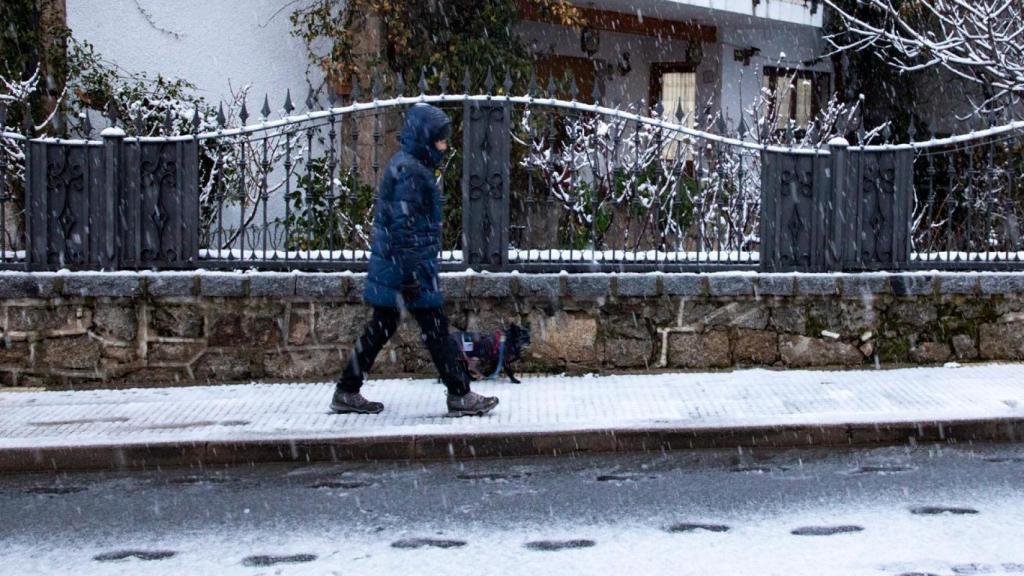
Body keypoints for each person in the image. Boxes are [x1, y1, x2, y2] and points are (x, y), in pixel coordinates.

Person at [330, 103, 499, 417]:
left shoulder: (408, 164)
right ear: (425, 137)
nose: (445, 146)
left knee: (384, 329)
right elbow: (404, 227)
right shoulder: (412, 171)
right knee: (435, 331)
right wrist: (410, 275)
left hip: (400, 268)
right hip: (410, 271)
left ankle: (347, 389)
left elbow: (403, 226)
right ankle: (460, 394)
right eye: (439, 139)